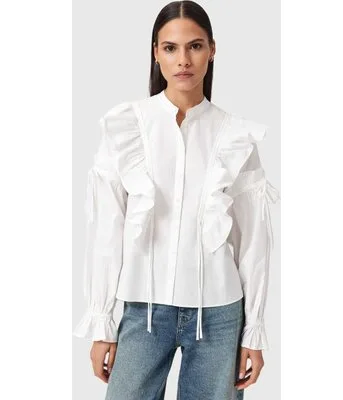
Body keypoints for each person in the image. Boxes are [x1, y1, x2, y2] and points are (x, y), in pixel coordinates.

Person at [73, 1, 280, 399]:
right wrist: (101, 322)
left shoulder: (235, 136)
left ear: (212, 50)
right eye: (170, 48)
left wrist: (253, 329)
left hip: (219, 317)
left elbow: (253, 241)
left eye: (195, 46)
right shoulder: (126, 127)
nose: (183, 60)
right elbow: (106, 230)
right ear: (155, 52)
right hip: (143, 313)